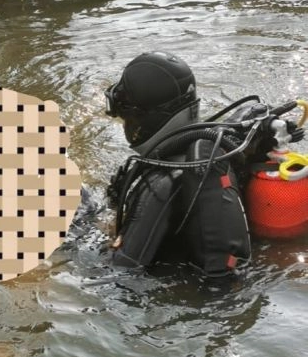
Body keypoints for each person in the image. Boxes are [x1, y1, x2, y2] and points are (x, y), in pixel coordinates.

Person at [104, 51, 305, 276]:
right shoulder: (221, 147)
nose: (126, 126)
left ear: (144, 118)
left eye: (127, 118)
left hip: (197, 287)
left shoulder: (162, 184)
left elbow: (121, 270)